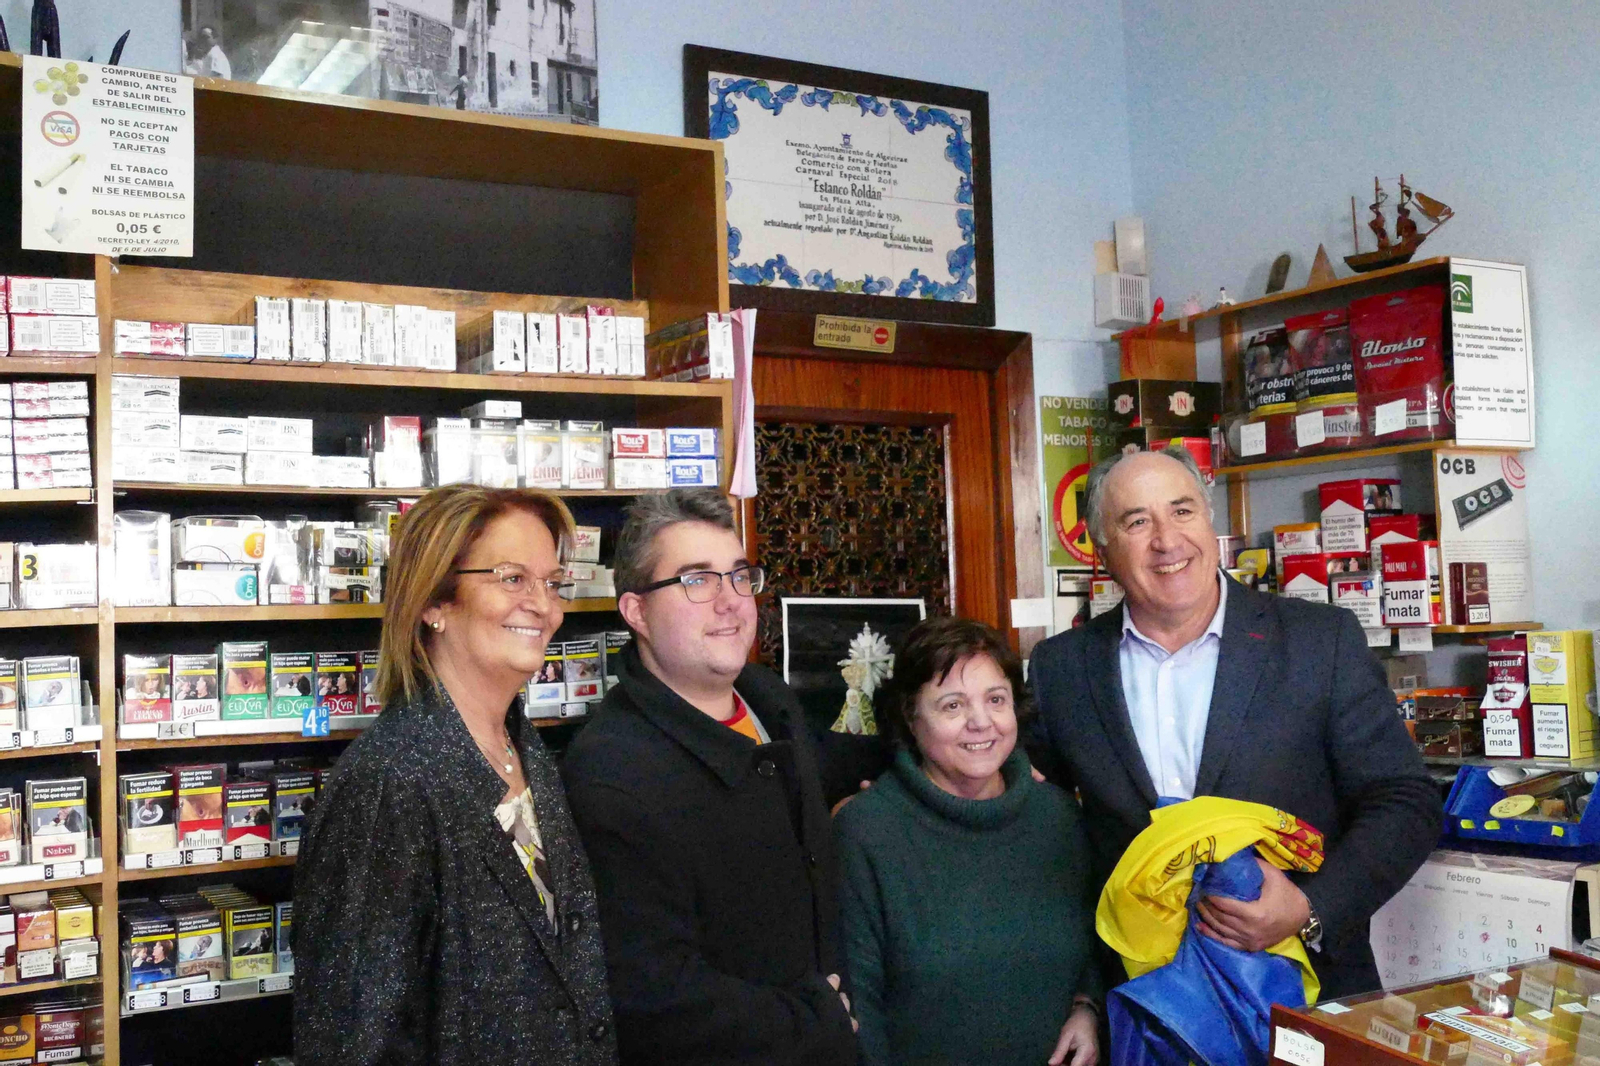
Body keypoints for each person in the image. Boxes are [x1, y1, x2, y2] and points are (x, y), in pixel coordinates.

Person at [1029, 447, 1439, 1001]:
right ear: (1101, 549)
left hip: (1301, 995)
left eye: (1182, 511)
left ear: (1209, 518)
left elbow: (1405, 799)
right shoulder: (1062, 669)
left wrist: (1308, 909)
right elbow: (1038, 832)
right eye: (1136, 521)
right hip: (1141, 1007)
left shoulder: (1320, 641)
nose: (1166, 540)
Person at [292, 485, 617, 1066]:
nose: (544, 606)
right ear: (434, 602)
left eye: (553, 582)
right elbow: (353, 1040)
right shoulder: (388, 782)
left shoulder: (525, 751)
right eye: (512, 578)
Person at [561, 488, 886, 1066]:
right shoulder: (612, 771)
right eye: (697, 581)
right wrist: (813, 1019)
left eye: (740, 576)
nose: (731, 601)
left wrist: (974, 754)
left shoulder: (766, 699)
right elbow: (649, 995)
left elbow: (843, 760)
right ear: (636, 611)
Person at [835, 616, 1101, 1066]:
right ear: (911, 717)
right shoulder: (865, 830)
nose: (981, 722)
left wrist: (1088, 1008)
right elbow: (861, 1012)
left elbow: (1095, 945)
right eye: (952, 706)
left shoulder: (1058, 816)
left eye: (996, 700)